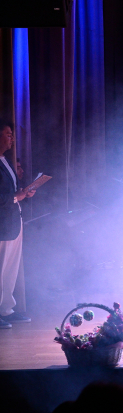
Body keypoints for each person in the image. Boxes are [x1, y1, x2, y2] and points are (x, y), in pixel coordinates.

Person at [0, 121, 35, 328]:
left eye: (11, 134)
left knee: (9, 269)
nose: (11, 138)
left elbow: (11, 191)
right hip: (2, 224)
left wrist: (24, 193)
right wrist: (15, 197)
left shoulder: (5, 161)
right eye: (7, 134)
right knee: (0, 268)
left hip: (13, 221)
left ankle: (6, 309)